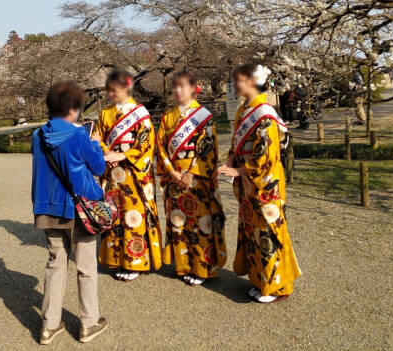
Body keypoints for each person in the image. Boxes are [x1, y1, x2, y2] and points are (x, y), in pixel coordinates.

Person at [216, 63, 301, 303]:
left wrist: (237, 169)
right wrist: (232, 158)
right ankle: (260, 281)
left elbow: (266, 157)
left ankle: (278, 287)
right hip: (249, 182)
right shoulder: (245, 109)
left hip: (265, 183)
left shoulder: (264, 114)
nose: (234, 85)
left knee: (268, 232)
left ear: (252, 82)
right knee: (253, 232)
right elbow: (236, 143)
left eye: (238, 80)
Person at [31, 81, 108, 344]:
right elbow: (98, 167)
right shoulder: (79, 135)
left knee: (55, 264)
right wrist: (95, 143)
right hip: (79, 210)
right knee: (86, 266)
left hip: (47, 208)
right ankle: (88, 323)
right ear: (74, 108)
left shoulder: (37, 136)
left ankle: (48, 325)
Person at [156, 71, 226, 286]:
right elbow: (160, 147)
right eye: (175, 87)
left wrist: (191, 173)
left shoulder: (203, 116)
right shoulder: (168, 117)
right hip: (175, 177)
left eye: (183, 86)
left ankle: (203, 268)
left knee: (200, 223)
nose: (178, 91)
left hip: (197, 179)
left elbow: (208, 148)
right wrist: (173, 172)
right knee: (179, 223)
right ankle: (184, 265)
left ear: (194, 88)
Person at [96, 69, 162, 282]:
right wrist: (107, 153)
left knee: (134, 216)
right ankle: (116, 259)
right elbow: (96, 137)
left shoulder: (140, 113)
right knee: (114, 214)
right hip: (112, 173)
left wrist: (122, 154)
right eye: (109, 89)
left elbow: (146, 142)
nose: (111, 93)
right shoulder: (104, 113)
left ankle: (136, 261)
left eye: (114, 89)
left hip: (133, 174)